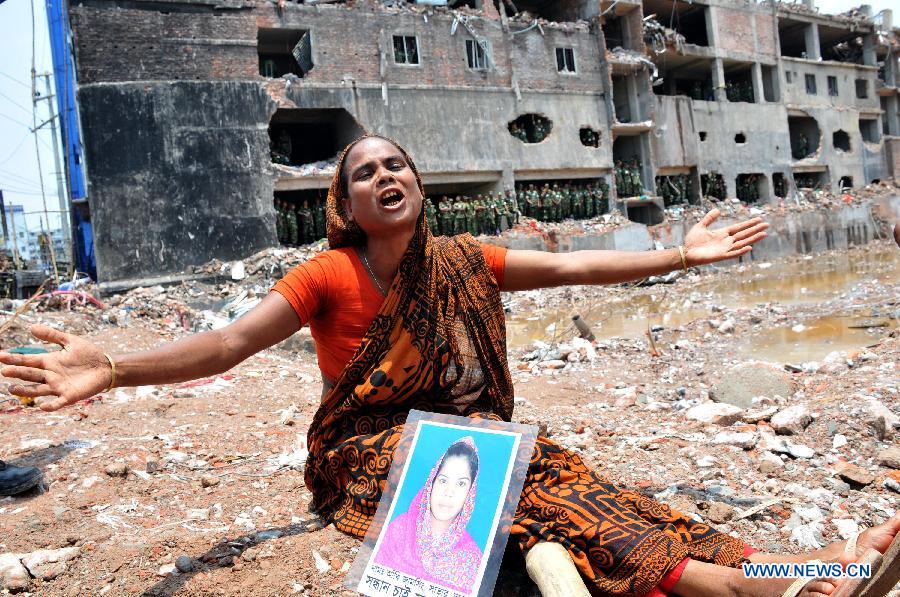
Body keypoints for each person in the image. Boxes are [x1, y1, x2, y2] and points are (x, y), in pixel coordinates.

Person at [2, 134, 898, 597]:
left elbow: (580, 266)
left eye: (399, 164)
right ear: (345, 203)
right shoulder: (327, 273)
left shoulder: (466, 260)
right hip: (369, 453)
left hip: (478, 440)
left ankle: (790, 569)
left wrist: (678, 255)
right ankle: (742, 587)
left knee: (591, 490)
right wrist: (114, 367)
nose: (386, 175)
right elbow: (229, 344)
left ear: (418, 186)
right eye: (366, 171)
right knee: (535, 491)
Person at [373, 437, 483, 593]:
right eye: (443, 481)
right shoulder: (399, 530)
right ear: (432, 483)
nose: (449, 492)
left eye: (461, 484)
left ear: (470, 493)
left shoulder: (471, 559)